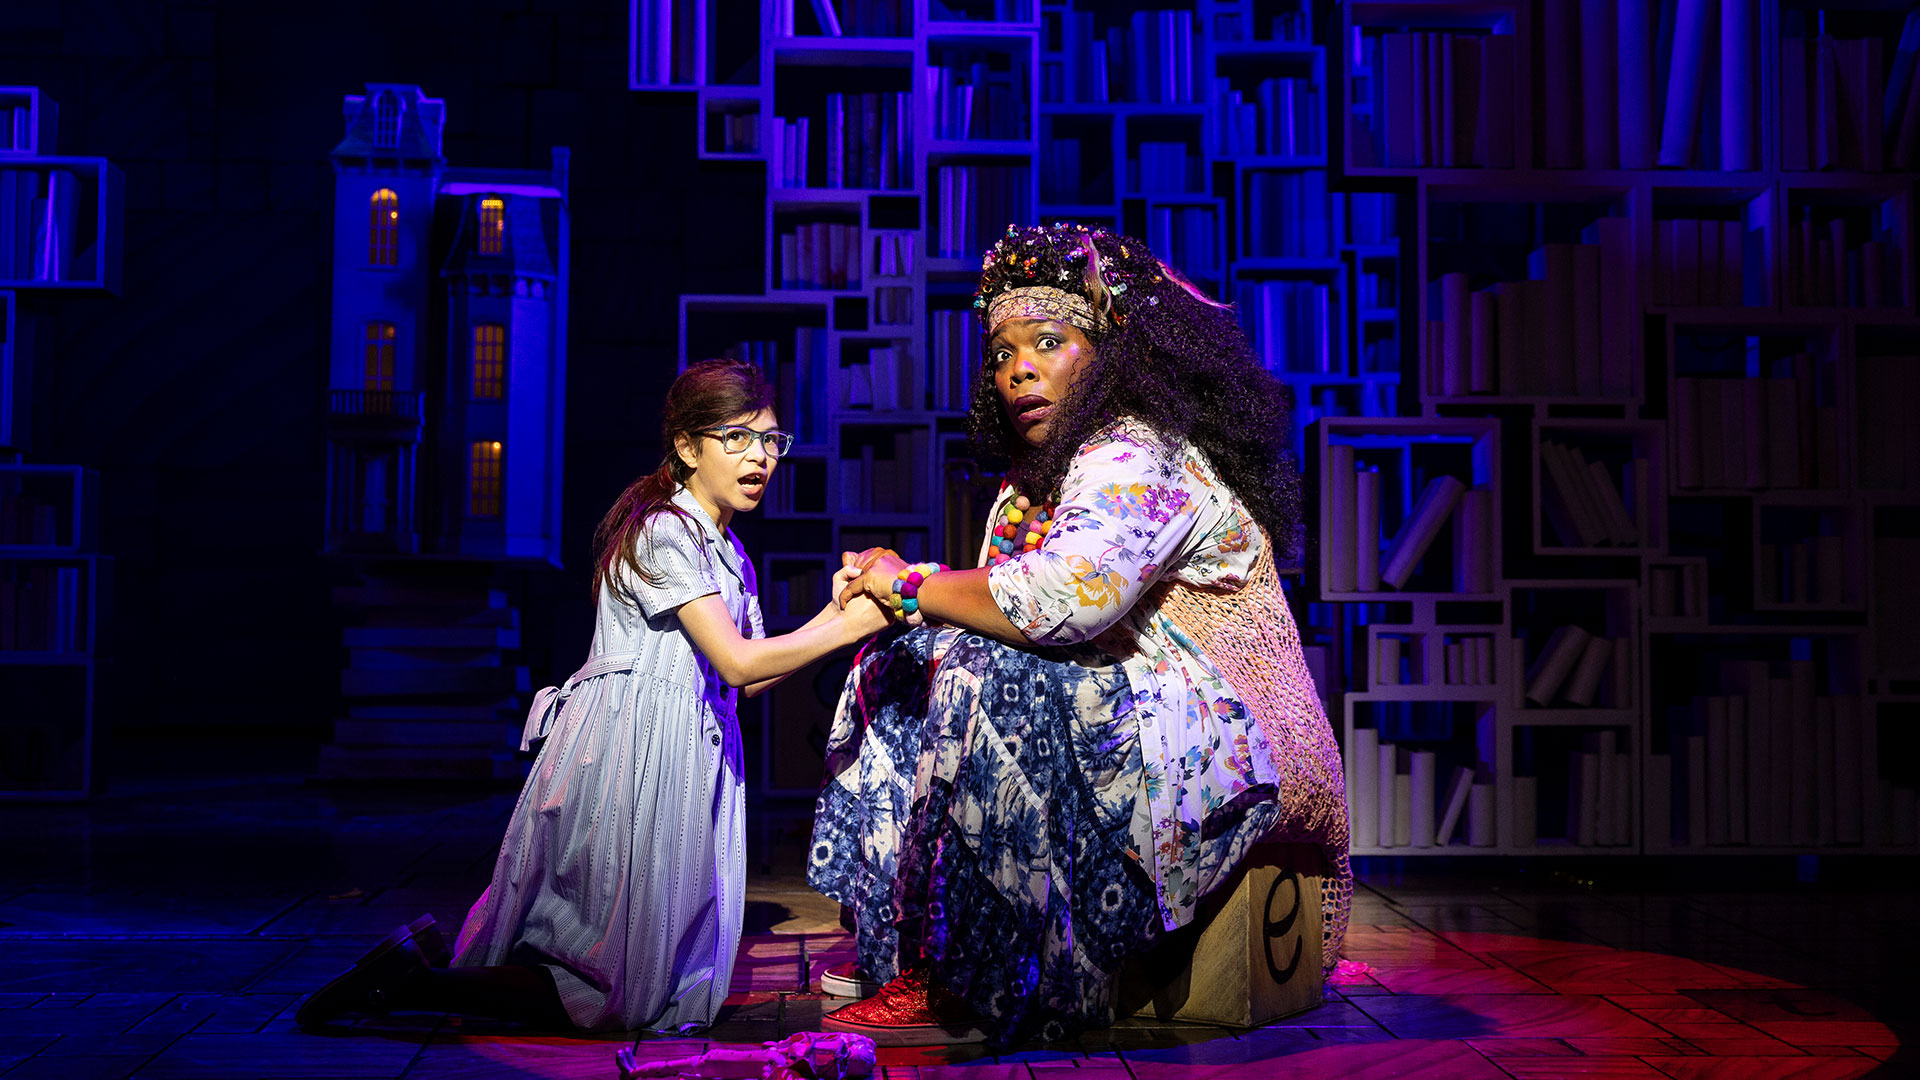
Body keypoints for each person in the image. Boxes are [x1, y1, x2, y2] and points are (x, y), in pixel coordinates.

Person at [807, 224, 1352, 1048]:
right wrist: (898, 593)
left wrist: (911, 584)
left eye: (1048, 342)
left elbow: (1065, 600)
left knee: (984, 668)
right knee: (903, 660)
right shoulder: (1038, 482)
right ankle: (909, 944)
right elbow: (1000, 598)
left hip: (1239, 734)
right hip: (1145, 702)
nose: (1016, 368)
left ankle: (979, 978)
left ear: (1109, 355)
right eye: (1000, 352)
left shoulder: (1141, 450)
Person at [297, 358, 892, 1034]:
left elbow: (752, 676)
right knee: (611, 987)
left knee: (638, 985)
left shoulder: (727, 549)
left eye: (771, 440)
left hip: (683, 752)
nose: (760, 456)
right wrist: (849, 625)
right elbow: (733, 661)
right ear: (688, 446)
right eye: (737, 437)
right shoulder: (664, 529)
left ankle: (424, 978)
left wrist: (838, 616)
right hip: (630, 748)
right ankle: (415, 983)